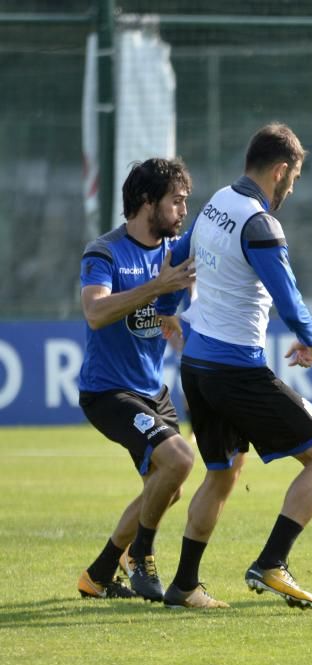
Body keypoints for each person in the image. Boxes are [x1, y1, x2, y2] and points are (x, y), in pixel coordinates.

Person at [157, 122, 312, 609]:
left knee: (221, 473)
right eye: (294, 179)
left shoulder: (216, 202)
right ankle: (272, 562)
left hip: (197, 367)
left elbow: (178, 259)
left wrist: (169, 307)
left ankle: (183, 586)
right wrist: (310, 339)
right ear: (280, 170)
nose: (291, 189)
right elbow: (287, 294)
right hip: (236, 371)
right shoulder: (260, 224)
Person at [77, 158, 197, 601]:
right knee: (180, 459)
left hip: (152, 390)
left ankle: (100, 573)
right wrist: (156, 287)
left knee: (168, 488)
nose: (184, 210)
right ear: (148, 202)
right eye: (177, 201)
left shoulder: (175, 253)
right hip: (108, 392)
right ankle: (141, 558)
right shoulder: (105, 252)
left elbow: (177, 314)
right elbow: (95, 312)